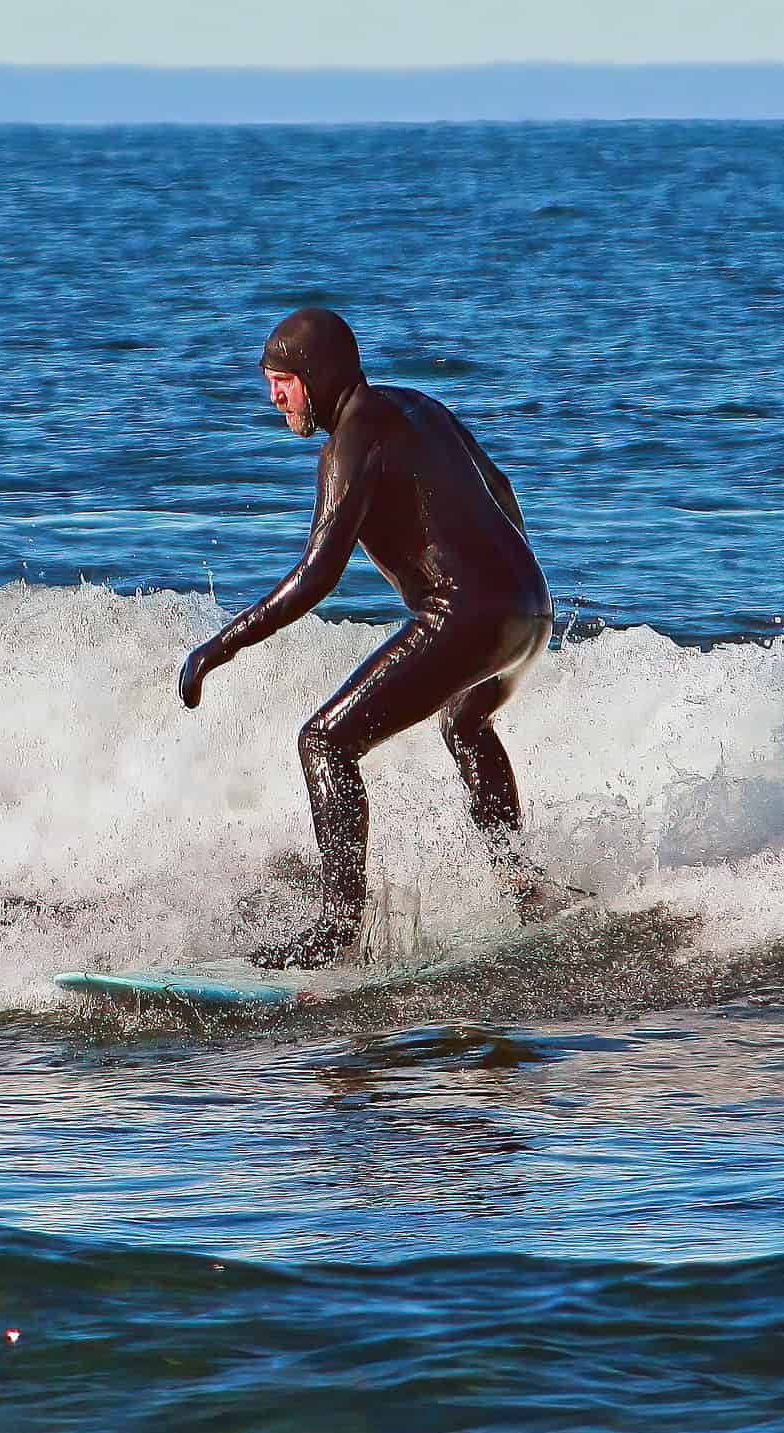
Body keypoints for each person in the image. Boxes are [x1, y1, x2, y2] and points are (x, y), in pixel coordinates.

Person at [179, 307, 565, 968]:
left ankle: (337, 928)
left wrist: (218, 647)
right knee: (465, 722)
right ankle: (521, 885)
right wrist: (513, 588)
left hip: (467, 613)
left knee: (324, 741)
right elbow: (499, 487)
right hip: (530, 606)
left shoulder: (350, 444)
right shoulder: (419, 405)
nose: (273, 396)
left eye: (283, 382)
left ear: (317, 376)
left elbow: (315, 575)